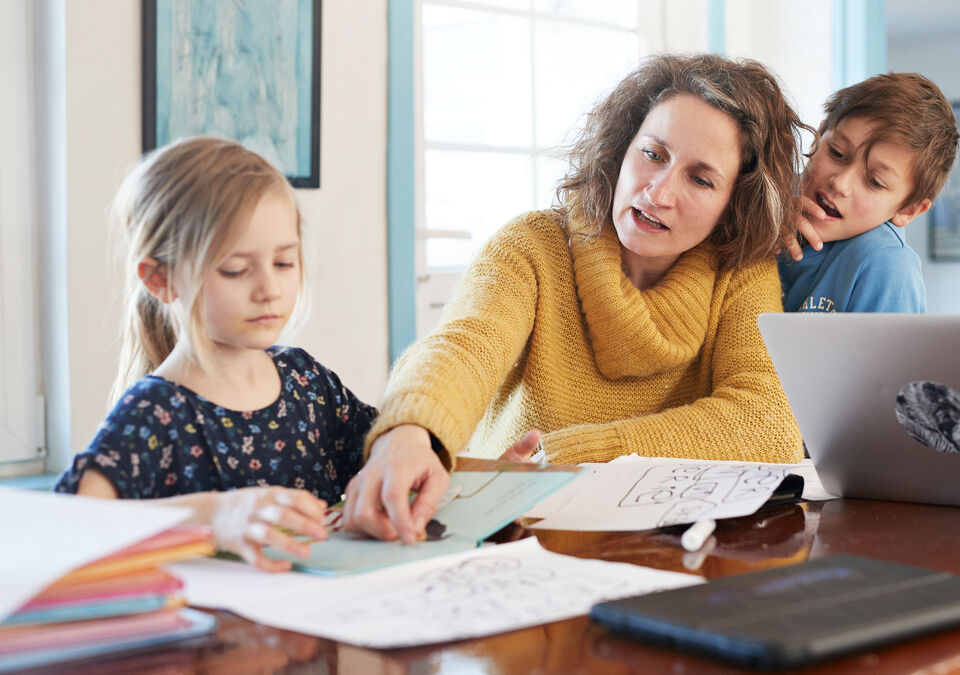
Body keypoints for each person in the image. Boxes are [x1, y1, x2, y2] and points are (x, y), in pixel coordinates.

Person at [342, 53, 810, 544]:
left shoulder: (740, 274)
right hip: (514, 538)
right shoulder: (531, 246)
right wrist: (411, 431)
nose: (658, 192)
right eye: (653, 153)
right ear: (620, 148)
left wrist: (574, 454)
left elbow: (766, 425)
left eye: (700, 178)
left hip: (656, 550)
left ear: (734, 202)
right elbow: (463, 347)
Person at [54, 137, 377, 572]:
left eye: (284, 263)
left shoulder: (309, 382)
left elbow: (388, 450)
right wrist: (213, 516)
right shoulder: (154, 413)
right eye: (236, 270)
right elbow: (65, 529)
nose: (270, 289)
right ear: (160, 280)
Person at [777, 73, 960, 313]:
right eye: (837, 153)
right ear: (817, 140)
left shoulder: (886, 265)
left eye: (874, 182)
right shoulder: (762, 200)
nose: (841, 184)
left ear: (908, 209)